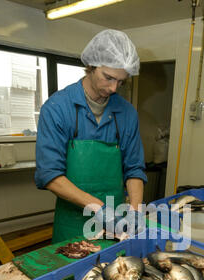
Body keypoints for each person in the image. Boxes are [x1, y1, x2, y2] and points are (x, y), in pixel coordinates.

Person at [35, 29, 147, 244]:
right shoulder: (57, 108)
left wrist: (135, 211)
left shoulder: (127, 113)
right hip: (73, 223)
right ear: (92, 66)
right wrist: (100, 209)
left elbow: (134, 168)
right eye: (109, 78)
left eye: (121, 82)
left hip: (117, 224)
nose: (114, 88)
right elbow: (49, 175)